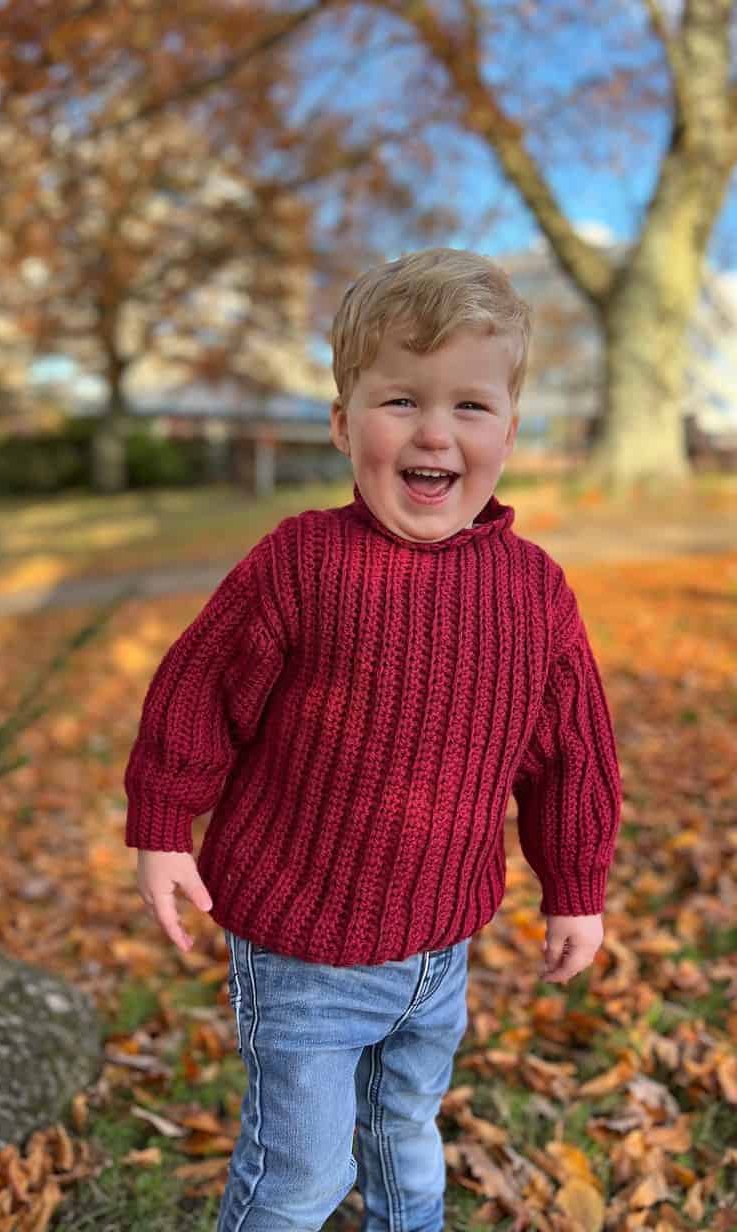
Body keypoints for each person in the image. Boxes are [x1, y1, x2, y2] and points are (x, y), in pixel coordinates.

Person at [123, 247, 623, 1232]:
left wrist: (577, 886)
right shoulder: (303, 563)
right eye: (401, 399)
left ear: (510, 432)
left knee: (406, 1139)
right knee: (300, 1172)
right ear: (346, 422)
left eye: (469, 407)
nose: (435, 429)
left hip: (442, 948)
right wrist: (164, 824)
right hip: (303, 948)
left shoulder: (536, 594)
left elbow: (573, 754)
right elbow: (201, 687)